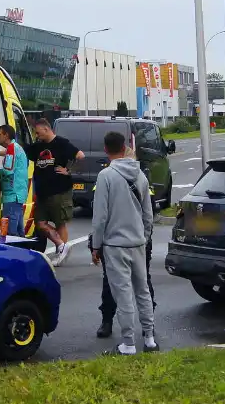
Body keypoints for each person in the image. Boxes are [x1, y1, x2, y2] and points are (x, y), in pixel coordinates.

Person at [90, 130, 157, 355]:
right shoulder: (141, 175)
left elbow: (100, 216)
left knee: (123, 294)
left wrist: (96, 246)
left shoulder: (106, 176)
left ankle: (128, 343)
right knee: (143, 290)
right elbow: (148, 214)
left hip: (115, 245)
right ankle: (149, 338)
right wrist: (144, 237)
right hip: (138, 243)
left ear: (106, 149)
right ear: (125, 146)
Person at [28, 118, 83, 263]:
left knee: (60, 222)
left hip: (60, 190)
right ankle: (62, 245)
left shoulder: (62, 143)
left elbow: (80, 156)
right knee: (40, 223)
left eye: (38, 133)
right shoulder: (38, 146)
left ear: (46, 129)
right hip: (42, 191)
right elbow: (21, 151)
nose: (37, 136)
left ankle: (61, 253)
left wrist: (69, 170)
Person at [0, 124, 28, 237]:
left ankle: (13, 253)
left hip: (12, 194)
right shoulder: (16, 147)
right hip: (18, 193)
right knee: (19, 230)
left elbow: (8, 170)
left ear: (6, 135)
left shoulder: (12, 148)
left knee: (9, 232)